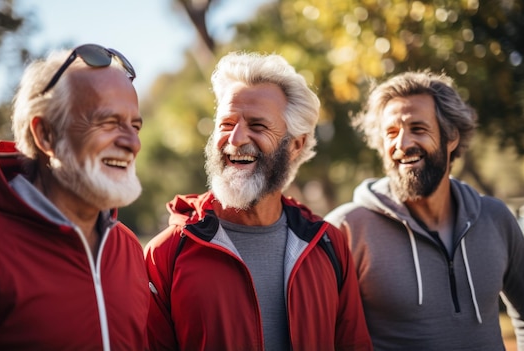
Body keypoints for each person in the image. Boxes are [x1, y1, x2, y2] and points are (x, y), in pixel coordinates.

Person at [144, 52, 372, 351]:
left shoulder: (328, 245)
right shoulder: (165, 254)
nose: (236, 138)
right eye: (226, 124)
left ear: (295, 144)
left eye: (258, 125)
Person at [0, 44, 149, 350]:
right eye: (108, 122)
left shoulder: (127, 248)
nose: (132, 143)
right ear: (46, 135)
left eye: (135, 126)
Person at [325, 70, 524, 350]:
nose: (403, 144)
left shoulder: (495, 218)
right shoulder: (345, 230)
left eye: (418, 129)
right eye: (391, 133)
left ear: (452, 136)